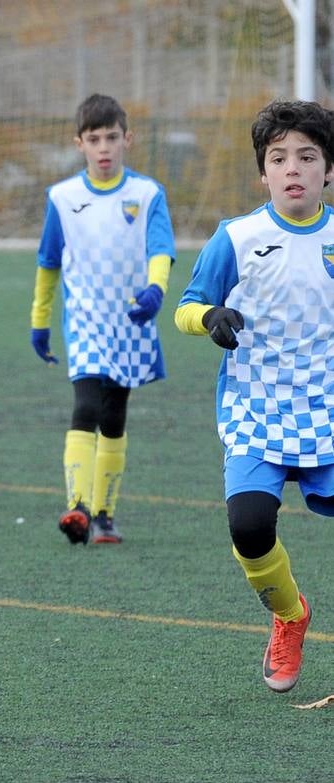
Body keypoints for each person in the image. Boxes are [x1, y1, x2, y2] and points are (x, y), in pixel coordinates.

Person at [174, 99, 334, 693]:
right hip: (255, 410)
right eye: (279, 157)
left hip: (328, 410)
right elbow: (186, 309)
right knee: (248, 525)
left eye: (308, 156)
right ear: (263, 173)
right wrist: (210, 317)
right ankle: (291, 616)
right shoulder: (236, 237)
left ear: (328, 170)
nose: (294, 167)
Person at [30, 93, 176, 545]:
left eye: (112, 137)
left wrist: (156, 290)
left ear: (127, 139)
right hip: (87, 323)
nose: (104, 147)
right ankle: (77, 506)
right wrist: (40, 320)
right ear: (80, 144)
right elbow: (49, 262)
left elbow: (160, 250)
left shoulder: (147, 194)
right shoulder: (63, 196)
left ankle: (105, 514)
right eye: (94, 139)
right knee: (87, 407)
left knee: (114, 419)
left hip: (131, 323)